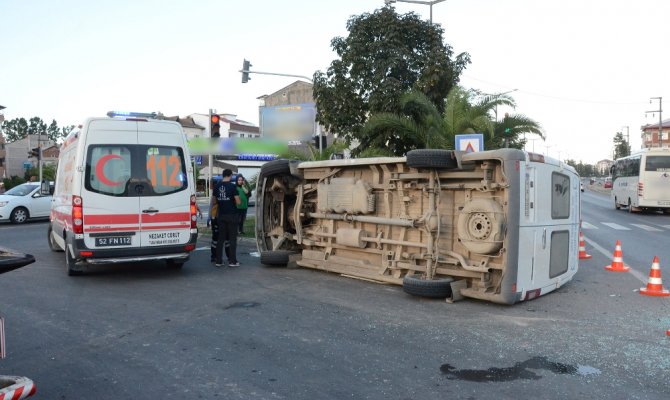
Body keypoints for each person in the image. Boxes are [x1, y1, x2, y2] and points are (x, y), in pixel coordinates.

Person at [211, 169, 240, 267]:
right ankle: (232, 261)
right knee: (232, 239)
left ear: (223, 175)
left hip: (221, 215)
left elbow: (214, 201)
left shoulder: (217, 186)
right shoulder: (233, 186)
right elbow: (238, 201)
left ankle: (218, 261)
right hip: (232, 215)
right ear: (230, 175)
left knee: (220, 239)